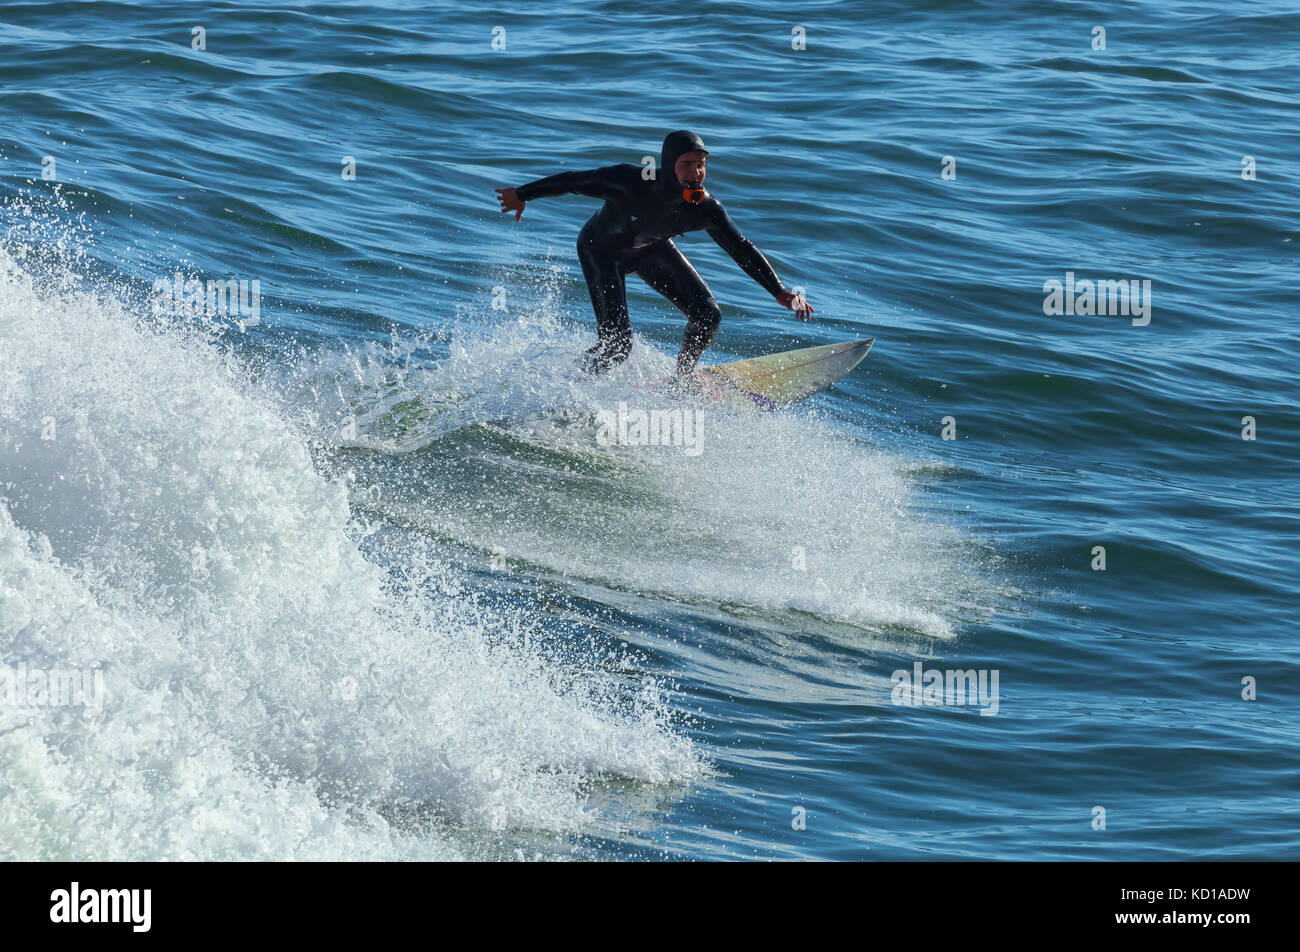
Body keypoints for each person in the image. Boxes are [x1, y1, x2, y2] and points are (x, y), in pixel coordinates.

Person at [495, 130, 813, 377]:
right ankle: (573, 381)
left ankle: (682, 378)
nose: (695, 173)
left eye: (701, 165)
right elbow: (574, 181)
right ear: (669, 164)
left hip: (649, 250)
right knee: (617, 348)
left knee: (708, 315)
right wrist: (523, 194)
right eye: (686, 165)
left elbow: (739, 246)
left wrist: (778, 291)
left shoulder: (705, 208)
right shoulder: (631, 183)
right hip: (601, 252)